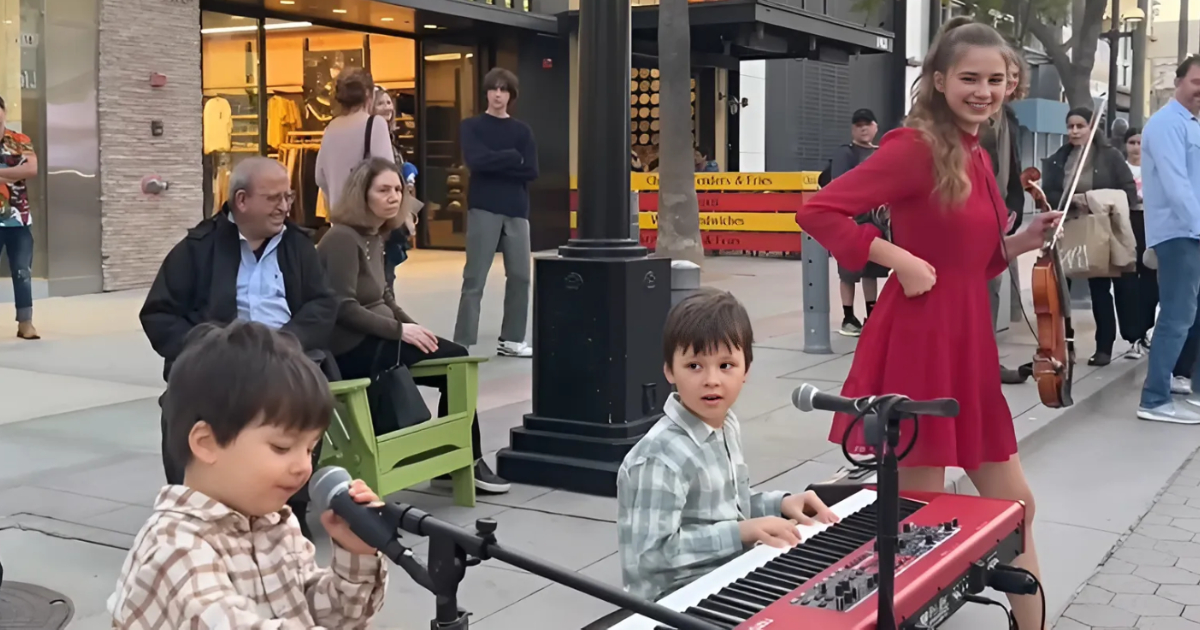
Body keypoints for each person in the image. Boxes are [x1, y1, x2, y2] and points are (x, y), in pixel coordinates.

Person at [794, 18, 1058, 629]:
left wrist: (1022, 241)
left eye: (996, 79)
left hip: (966, 341)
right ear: (938, 80)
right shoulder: (912, 148)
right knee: (920, 519)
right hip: (920, 343)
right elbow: (819, 208)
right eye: (969, 78)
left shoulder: (975, 151)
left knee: (1016, 507)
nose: (983, 90)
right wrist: (896, 256)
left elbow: (975, 256)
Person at [107, 321, 388, 628]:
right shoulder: (175, 548)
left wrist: (357, 551)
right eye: (282, 447)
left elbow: (326, 615)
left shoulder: (275, 524)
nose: (303, 466)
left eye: (310, 448)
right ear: (207, 443)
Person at [140, 157, 338, 528]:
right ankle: (194, 511)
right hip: (220, 362)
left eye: (288, 197)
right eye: (274, 198)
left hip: (285, 359)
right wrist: (207, 349)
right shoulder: (199, 248)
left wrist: (287, 344)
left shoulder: (298, 246)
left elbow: (324, 304)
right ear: (242, 200)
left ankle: (286, 514)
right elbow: (159, 313)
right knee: (180, 409)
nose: (284, 207)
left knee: (298, 403)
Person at [617, 288, 838, 602]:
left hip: (730, 576)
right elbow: (652, 556)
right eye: (694, 366)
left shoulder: (725, 424)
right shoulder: (659, 457)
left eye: (725, 365)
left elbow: (724, 506)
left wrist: (778, 504)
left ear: (746, 370)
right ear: (669, 370)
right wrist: (741, 533)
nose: (711, 380)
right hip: (676, 603)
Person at [317, 158, 510, 494]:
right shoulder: (342, 239)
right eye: (383, 190)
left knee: (453, 357)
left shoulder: (376, 236)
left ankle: (460, 458)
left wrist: (415, 328)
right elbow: (341, 307)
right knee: (454, 355)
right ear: (362, 194)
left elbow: (386, 297)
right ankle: (463, 459)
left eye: (397, 189)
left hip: (381, 335)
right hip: (351, 346)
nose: (394, 196)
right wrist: (399, 332)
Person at [1043, 107, 1141, 366]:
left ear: (1091, 127)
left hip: (1099, 230)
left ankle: (1104, 347)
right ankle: (1066, 346)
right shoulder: (1057, 158)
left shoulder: (1110, 157)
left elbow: (1128, 192)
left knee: (1100, 290)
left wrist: (1096, 201)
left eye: (1080, 126)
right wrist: (1069, 202)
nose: (1074, 131)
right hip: (1067, 229)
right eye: (1070, 126)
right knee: (1062, 293)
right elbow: (1049, 193)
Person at [453, 67, 538, 358]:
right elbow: (475, 162)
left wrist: (496, 162)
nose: (498, 94)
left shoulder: (522, 131)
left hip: (516, 209)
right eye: (493, 89)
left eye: (504, 90)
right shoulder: (471, 126)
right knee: (475, 276)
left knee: (521, 276)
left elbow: (531, 170)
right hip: (483, 206)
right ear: (487, 92)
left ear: (511, 95)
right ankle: (463, 340)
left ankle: (512, 339)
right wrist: (512, 157)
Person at [1137, 55, 1200, 424]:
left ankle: (1179, 386)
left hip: (1192, 231)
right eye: (1196, 83)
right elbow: (1177, 185)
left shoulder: (1192, 124)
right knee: (1176, 315)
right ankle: (1154, 397)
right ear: (1179, 81)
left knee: (1190, 314)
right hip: (1179, 232)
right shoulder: (1164, 124)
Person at [981, 52, 1030, 384]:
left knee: (990, 290)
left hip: (998, 218)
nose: (1009, 82)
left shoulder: (1010, 119)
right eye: (1002, 75)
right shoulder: (974, 115)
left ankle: (986, 363)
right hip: (970, 217)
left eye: (1013, 77)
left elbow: (1011, 172)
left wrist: (1014, 209)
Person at [831, 108, 884, 337]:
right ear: (853, 129)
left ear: (875, 127)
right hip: (851, 220)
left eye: (867, 124)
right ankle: (849, 317)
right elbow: (839, 184)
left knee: (871, 269)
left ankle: (871, 315)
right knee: (849, 271)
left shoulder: (882, 152)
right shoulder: (846, 153)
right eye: (858, 124)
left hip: (873, 221)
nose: (863, 128)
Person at [316, 68, 395, 210]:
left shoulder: (330, 128)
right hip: (367, 216)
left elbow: (320, 178)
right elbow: (387, 173)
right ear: (368, 94)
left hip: (339, 215)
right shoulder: (375, 124)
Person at [0, 95, 39, 340]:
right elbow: (21, 171)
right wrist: (12, 174)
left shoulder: (19, 140)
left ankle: (26, 322)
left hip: (18, 219)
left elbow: (31, 169)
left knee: (22, 271)